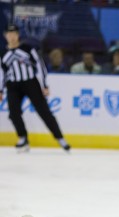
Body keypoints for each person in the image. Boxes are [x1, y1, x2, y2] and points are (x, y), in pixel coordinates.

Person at [0, 24, 70, 152]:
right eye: (9, 34)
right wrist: (0, 89)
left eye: (14, 33)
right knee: (14, 113)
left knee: (44, 111)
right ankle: (23, 138)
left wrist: (44, 85)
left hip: (31, 83)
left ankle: (60, 138)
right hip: (13, 85)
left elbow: (40, 66)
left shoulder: (28, 49)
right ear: (5, 36)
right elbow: (1, 73)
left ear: (18, 35)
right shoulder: (2, 54)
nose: (12, 36)